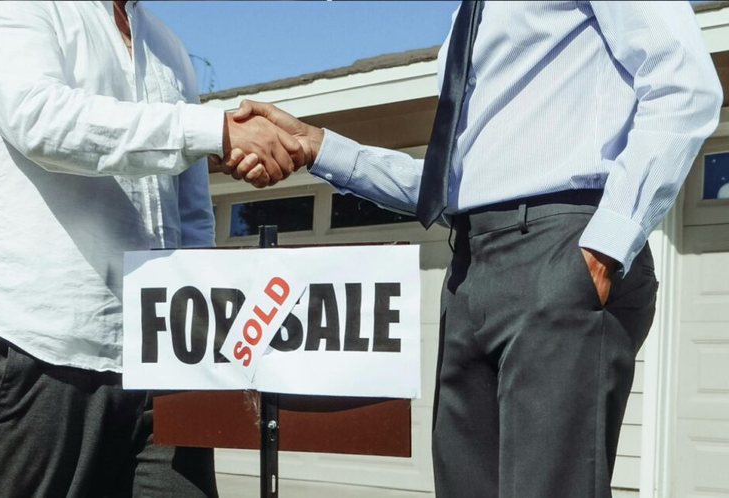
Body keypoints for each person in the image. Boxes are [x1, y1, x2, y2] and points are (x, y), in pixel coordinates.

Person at [219, 1, 723, 496]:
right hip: (470, 266)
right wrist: (319, 147)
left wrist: (605, 248)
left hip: (560, 255)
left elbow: (684, 84)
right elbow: (457, 187)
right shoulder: (467, 18)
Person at [0, 1, 302, 496]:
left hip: (164, 355)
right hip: (44, 345)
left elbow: (191, 211)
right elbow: (43, 123)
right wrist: (213, 130)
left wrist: (200, 336)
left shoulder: (167, 45)